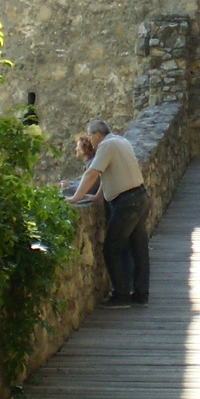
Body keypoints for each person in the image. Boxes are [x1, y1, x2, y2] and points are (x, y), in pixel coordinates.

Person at [66, 119, 150, 306]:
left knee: (112, 248)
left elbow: (92, 173)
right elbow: (110, 173)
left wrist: (75, 198)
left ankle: (121, 294)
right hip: (140, 197)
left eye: (90, 135)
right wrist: (97, 197)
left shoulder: (105, 145)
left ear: (97, 134)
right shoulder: (121, 141)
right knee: (139, 249)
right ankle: (141, 294)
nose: (90, 139)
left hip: (127, 203)